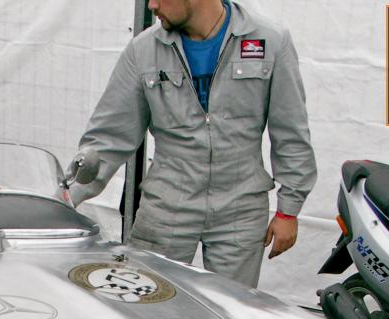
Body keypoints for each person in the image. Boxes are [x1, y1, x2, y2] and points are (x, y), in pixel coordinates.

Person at [70, 0, 316, 287]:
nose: (152, 5)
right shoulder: (144, 50)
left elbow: (290, 132)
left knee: (230, 312)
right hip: (166, 207)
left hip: (240, 209)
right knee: (149, 307)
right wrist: (65, 196)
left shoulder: (269, 41)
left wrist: (289, 210)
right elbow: (109, 136)